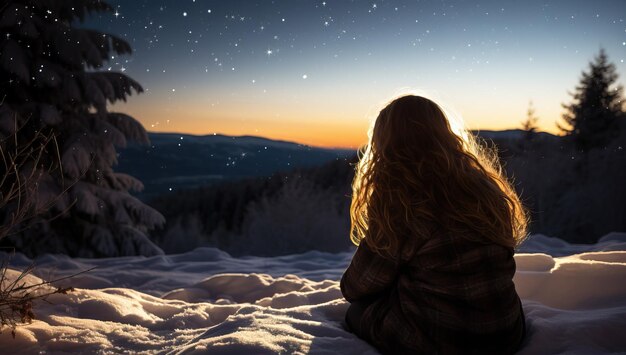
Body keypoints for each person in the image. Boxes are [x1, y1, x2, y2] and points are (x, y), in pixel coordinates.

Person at [340, 95, 528, 354]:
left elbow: (357, 286)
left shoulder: (402, 200)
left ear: (385, 142)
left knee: (357, 312)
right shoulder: (485, 189)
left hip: (441, 341)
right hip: (505, 333)